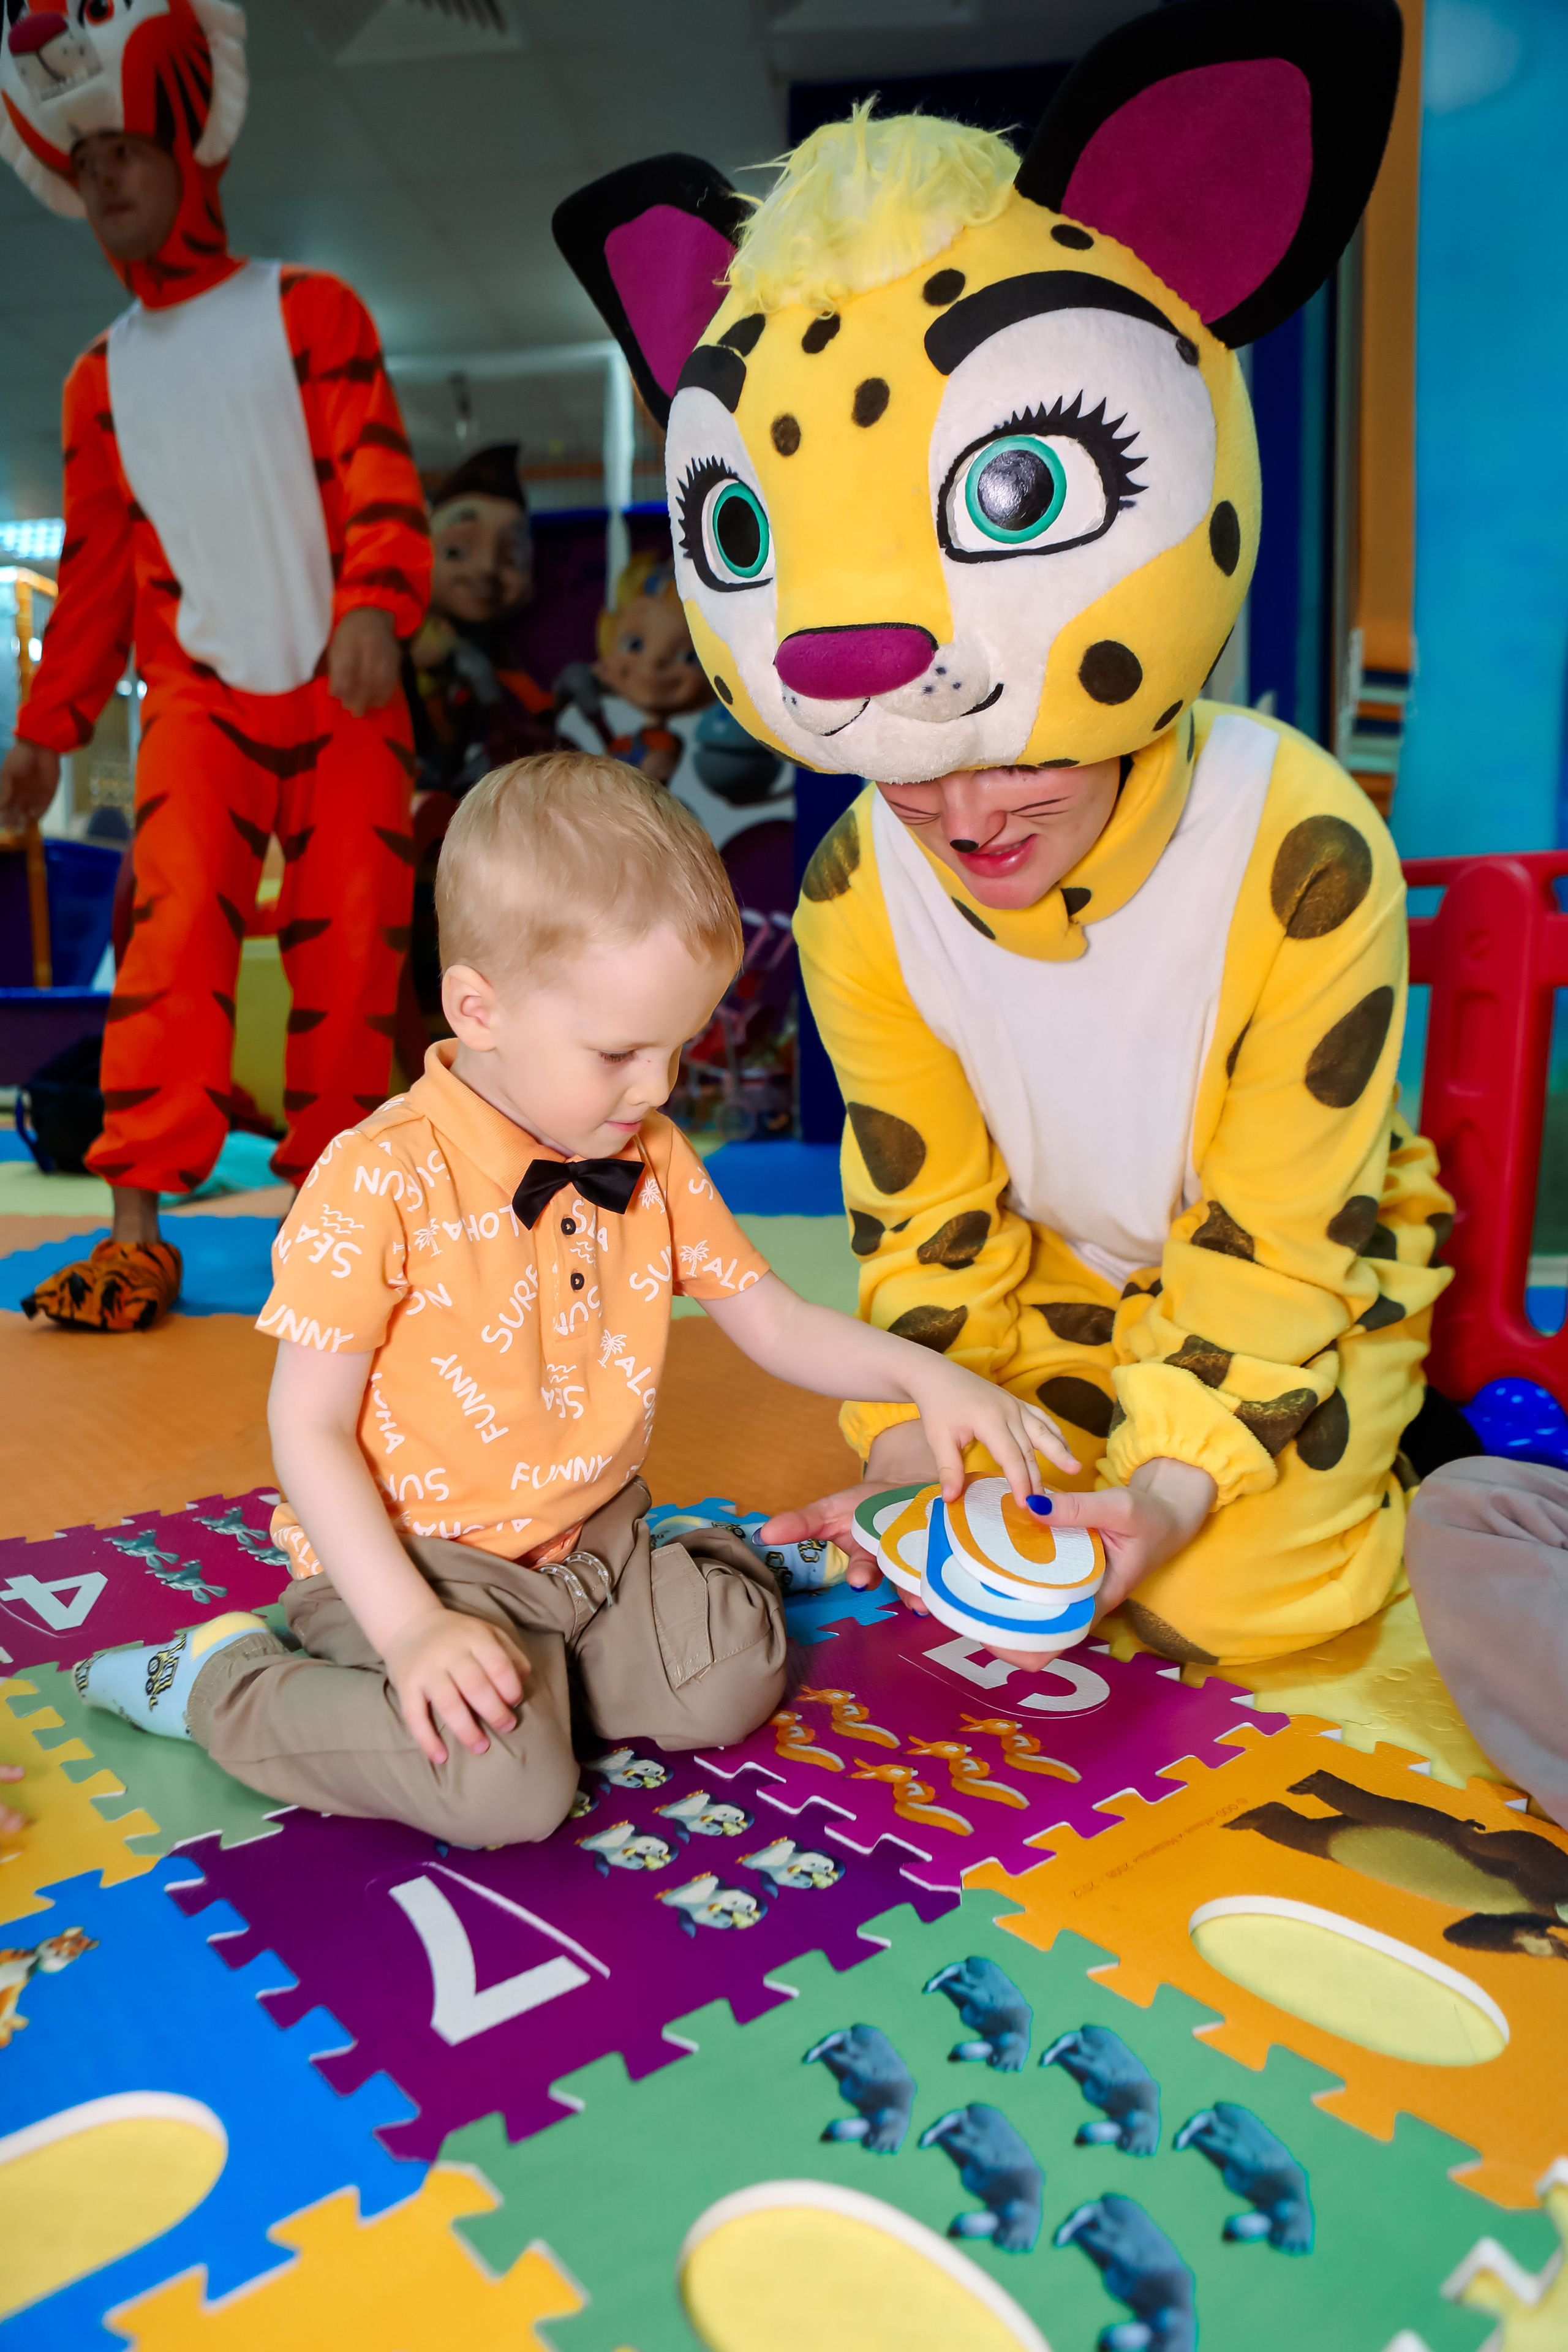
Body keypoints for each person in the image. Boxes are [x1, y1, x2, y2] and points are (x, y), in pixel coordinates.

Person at [552, 0, 1450, 1670]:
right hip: (1048, 1276)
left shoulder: (1296, 847)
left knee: (1232, 1598)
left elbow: (1280, 1239)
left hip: (1281, 1271)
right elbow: (929, 1219)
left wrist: (1168, 1488)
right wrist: (921, 1437)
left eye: (1022, 753)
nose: (961, 813)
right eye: (904, 778)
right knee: (979, 1498)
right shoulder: (855, 892)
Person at [70, 756, 1072, 1845]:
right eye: (620, 1052)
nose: (658, 1087)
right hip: (413, 1567)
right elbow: (305, 1430)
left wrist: (927, 1377)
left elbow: (775, 1319)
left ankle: (644, 1602)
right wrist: (409, 1631)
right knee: (505, 1790)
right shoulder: (376, 1178)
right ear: (479, 1010)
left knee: (732, 1675)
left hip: (594, 1544)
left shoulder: (649, 1151)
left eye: (679, 1047)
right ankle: (218, 1682)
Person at [0, 0, 430, 1330]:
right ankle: (134, 1235)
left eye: (126, 152)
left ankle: (333, 1226)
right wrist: (46, 728)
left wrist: (378, 599)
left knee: (354, 943)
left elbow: (374, 468)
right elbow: (94, 572)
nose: (105, 180)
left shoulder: (311, 309)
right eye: (85, 164)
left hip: (344, 689)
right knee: (170, 935)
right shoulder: (95, 380)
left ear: (190, 155)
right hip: (198, 698)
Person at [405, 443, 559, 797]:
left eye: (510, 558)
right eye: (455, 551)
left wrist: (543, 707)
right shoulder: (411, 630)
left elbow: (519, 682)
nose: (486, 568)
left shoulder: (488, 642)